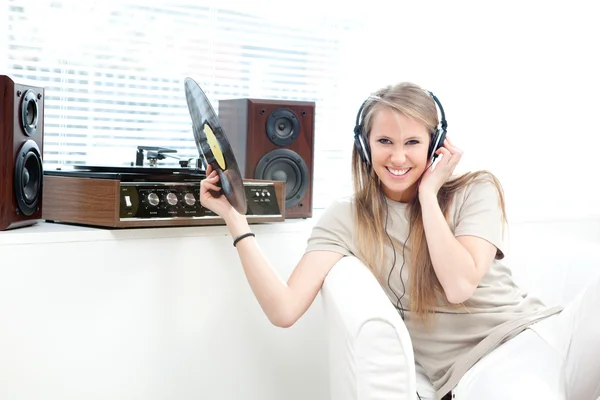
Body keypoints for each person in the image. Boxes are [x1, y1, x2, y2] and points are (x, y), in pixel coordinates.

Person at [199, 82, 600, 400]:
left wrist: (429, 194)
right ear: (364, 145)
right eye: (385, 142)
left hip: (551, 332)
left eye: (413, 143)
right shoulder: (348, 219)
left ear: (435, 145)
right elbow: (284, 309)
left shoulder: (475, 190)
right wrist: (236, 220)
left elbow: (462, 279)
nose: (398, 158)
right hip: (483, 367)